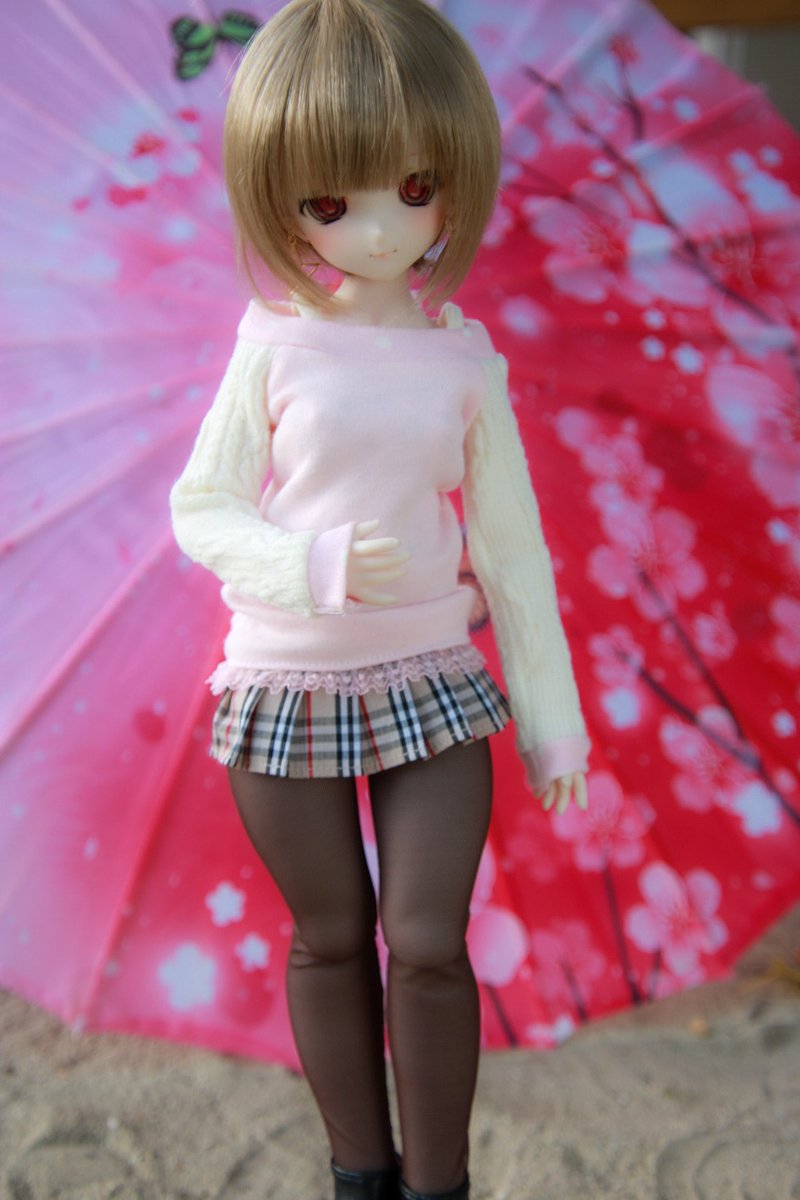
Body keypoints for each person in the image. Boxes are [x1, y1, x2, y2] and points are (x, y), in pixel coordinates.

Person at [170, 1, 590, 1196]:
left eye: (413, 189)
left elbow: (511, 553)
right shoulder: (273, 345)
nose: (375, 229)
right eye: (328, 201)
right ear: (282, 200)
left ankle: (437, 1183)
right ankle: (360, 1172)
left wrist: (553, 721)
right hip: (286, 678)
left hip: (431, 680)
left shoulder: (462, 362)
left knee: (425, 940)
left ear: (454, 181)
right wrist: (308, 566)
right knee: (329, 937)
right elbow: (202, 508)